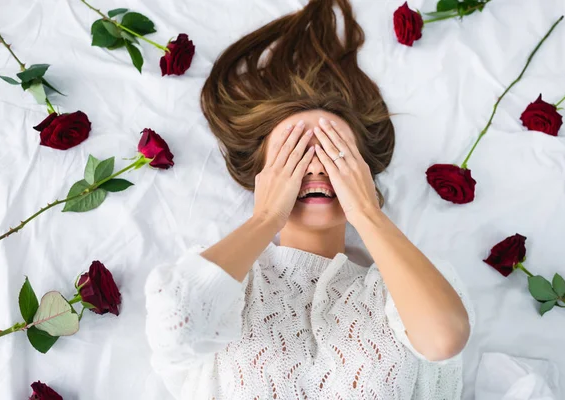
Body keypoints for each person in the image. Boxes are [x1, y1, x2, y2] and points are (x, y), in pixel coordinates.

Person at [145, 0, 473, 398]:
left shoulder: (400, 289)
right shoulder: (229, 282)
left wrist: (367, 212)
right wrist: (265, 217)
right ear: (263, 176)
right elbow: (178, 321)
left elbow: (445, 339)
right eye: (295, 154)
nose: (316, 168)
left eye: (336, 154)